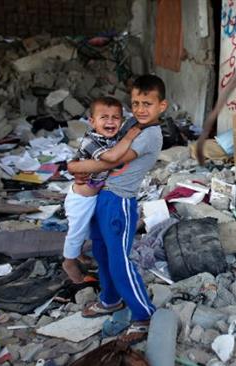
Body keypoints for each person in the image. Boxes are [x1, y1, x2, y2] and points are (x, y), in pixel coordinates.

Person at [68, 74, 167, 343]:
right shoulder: (133, 123)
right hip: (102, 197)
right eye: (135, 103)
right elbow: (101, 143)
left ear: (162, 106)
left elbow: (109, 162)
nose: (140, 109)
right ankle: (110, 299)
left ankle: (144, 314)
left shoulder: (150, 134)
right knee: (101, 251)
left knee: (120, 260)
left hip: (120, 202)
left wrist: (74, 166)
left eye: (147, 103)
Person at [62, 97, 142, 284]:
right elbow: (112, 157)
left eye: (115, 118)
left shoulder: (113, 137)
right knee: (76, 232)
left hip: (95, 195)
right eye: (104, 117)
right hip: (81, 200)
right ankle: (69, 263)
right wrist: (130, 137)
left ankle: (79, 254)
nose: (110, 121)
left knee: (89, 229)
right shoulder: (91, 141)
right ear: (92, 121)